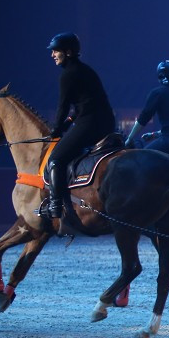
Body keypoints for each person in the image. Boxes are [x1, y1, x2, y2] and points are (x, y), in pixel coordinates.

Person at [36, 32, 117, 222]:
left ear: (69, 52)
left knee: (55, 159)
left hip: (90, 123)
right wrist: (68, 123)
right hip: (104, 121)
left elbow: (63, 106)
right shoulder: (86, 70)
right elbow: (83, 103)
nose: (52, 55)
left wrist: (56, 129)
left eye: (56, 51)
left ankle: (55, 206)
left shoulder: (67, 75)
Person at [124, 60, 169, 156]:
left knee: (142, 158)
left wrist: (129, 138)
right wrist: (154, 135)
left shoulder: (157, 93)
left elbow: (144, 118)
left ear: (160, 76)